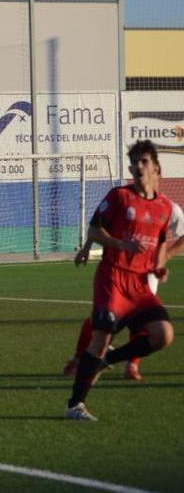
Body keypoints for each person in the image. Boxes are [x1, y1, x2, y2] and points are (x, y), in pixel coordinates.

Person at [65, 141, 182, 421]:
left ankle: (109, 362)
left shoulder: (165, 207)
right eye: (135, 163)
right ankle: (75, 405)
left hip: (141, 286)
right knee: (101, 338)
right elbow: (94, 229)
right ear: (130, 169)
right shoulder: (119, 197)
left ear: (155, 167)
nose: (139, 167)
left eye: (144, 162)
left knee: (163, 335)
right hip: (113, 278)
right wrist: (121, 245)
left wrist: (159, 267)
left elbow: (161, 242)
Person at [63, 198, 183, 381]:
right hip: (117, 271)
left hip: (146, 274)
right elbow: (100, 226)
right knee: (100, 320)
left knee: (145, 322)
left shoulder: (169, 208)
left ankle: (132, 365)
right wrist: (86, 248)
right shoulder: (124, 200)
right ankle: (78, 359)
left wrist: (165, 256)